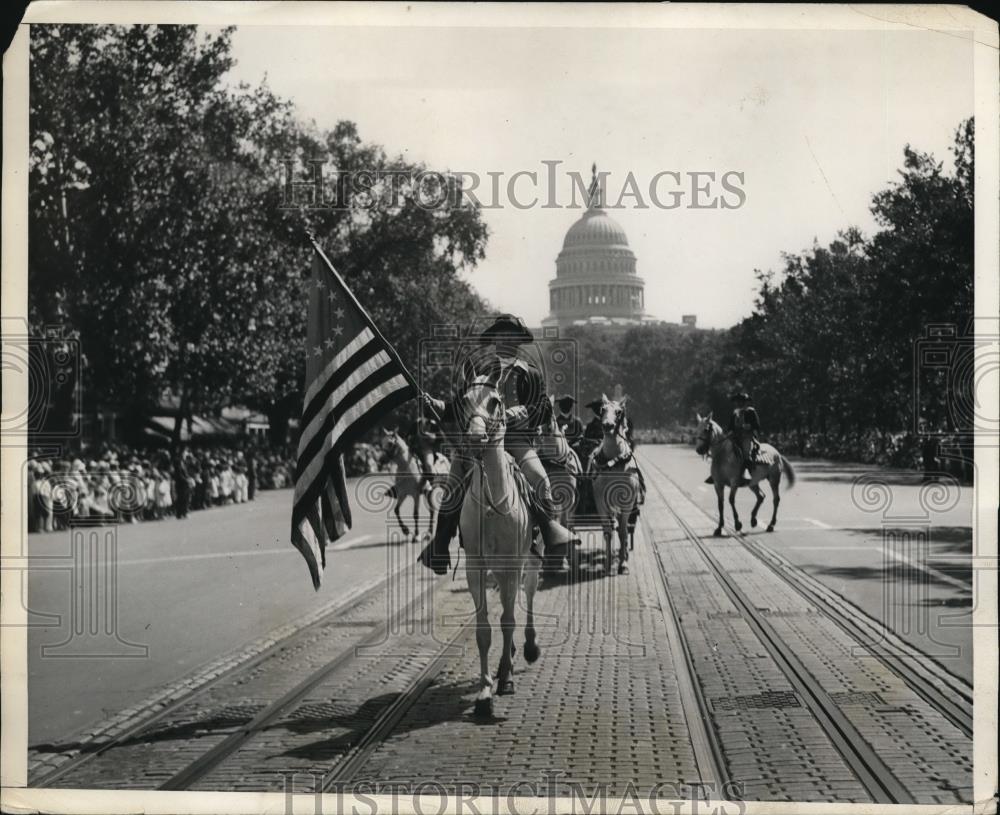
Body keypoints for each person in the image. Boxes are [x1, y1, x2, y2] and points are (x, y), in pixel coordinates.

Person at [417, 314, 580, 574]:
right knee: (452, 487)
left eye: (510, 334)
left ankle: (551, 535)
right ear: (493, 339)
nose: (505, 337)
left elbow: (542, 409)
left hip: (515, 440)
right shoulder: (478, 372)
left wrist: (523, 412)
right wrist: (437, 405)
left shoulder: (531, 373)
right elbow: (459, 406)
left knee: (540, 480)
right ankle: (440, 546)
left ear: (518, 340)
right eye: (500, 333)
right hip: (477, 441)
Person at [705, 390, 761, 484]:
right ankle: (716, 473)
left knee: (746, 452)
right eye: (737, 401)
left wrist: (749, 426)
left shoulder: (751, 411)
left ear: (745, 402)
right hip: (735, 436)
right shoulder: (735, 412)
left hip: (747, 436)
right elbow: (731, 426)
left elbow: (757, 425)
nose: (739, 403)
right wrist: (729, 432)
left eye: (741, 401)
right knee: (721, 450)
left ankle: (746, 473)